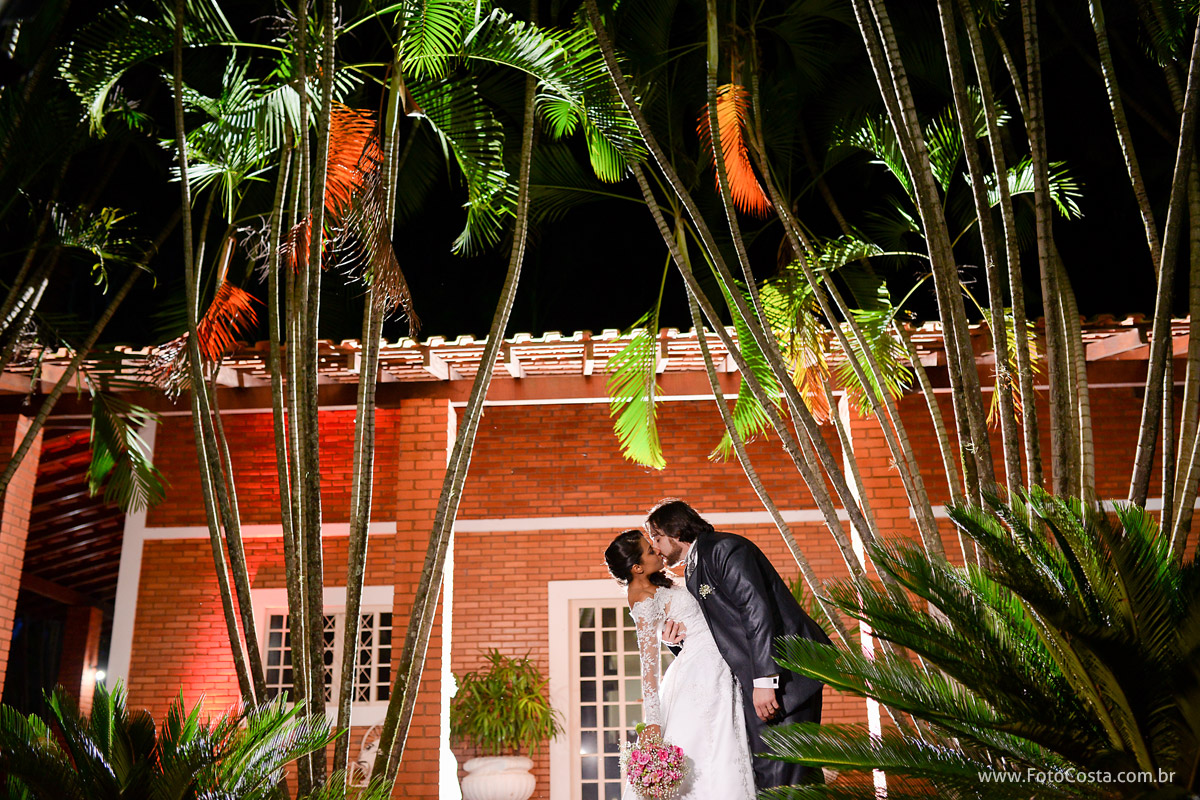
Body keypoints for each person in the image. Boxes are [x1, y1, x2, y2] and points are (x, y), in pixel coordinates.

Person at [646, 499, 830, 789]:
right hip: (753, 680)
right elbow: (717, 633)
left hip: (785, 674)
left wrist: (765, 682)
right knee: (773, 773)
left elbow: (755, 609)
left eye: (657, 538)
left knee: (787, 774)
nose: (656, 548)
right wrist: (677, 643)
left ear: (675, 531)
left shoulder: (724, 549)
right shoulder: (694, 569)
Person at [603, 529, 755, 800]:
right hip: (702, 674)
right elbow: (648, 666)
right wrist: (653, 723)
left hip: (713, 662)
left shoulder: (658, 583)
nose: (657, 551)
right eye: (650, 551)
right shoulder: (642, 598)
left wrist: (671, 639)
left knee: (722, 750)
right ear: (636, 567)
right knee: (712, 752)